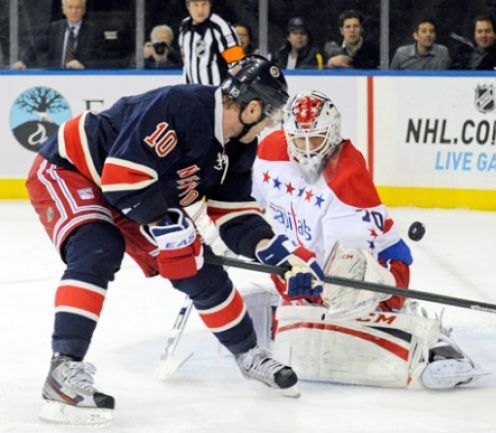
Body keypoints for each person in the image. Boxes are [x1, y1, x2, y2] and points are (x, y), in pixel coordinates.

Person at [25, 56, 326, 425]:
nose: (269, 124)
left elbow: (233, 213)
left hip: (138, 193)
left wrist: (275, 251)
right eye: (270, 114)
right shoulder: (181, 107)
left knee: (196, 266)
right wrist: (166, 222)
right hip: (74, 170)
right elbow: (122, 179)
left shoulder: (240, 147)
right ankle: (63, 369)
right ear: (251, 107)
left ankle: (250, 355)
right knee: (98, 247)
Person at [247, 90, 482, 390]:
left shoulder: (347, 173)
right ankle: (281, 308)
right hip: (303, 266)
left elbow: (348, 263)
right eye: (299, 139)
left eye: (316, 139)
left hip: (374, 268)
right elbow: (245, 206)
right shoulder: (269, 150)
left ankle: (425, 340)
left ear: (332, 134)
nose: (306, 150)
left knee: (346, 295)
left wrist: (311, 278)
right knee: (290, 280)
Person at [12, 0, 104, 69]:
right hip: (57, 78)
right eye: (70, 7)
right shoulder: (55, 28)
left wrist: (84, 66)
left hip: (83, 78)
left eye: (78, 7)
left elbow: (102, 60)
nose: (74, 11)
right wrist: (24, 61)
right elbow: (36, 46)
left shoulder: (94, 31)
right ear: (63, 10)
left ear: (83, 10)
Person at [178, 0, 244, 84]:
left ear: (210, 5)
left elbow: (238, 64)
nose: (200, 10)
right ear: (188, 6)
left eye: (204, 4)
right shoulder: (184, 27)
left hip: (216, 93)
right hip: (192, 93)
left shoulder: (221, 27)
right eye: (196, 5)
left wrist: (228, 92)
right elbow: (187, 62)